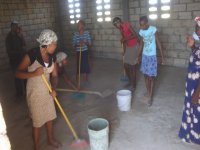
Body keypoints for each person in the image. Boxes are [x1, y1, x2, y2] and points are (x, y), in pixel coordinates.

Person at [15, 29, 61, 150]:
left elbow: (55, 76)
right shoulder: (31, 55)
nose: (55, 46)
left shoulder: (52, 56)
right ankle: (36, 147)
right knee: (37, 122)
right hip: (34, 94)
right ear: (46, 44)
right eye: (54, 44)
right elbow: (17, 73)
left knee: (50, 117)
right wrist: (34, 73)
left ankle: (50, 140)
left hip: (48, 92)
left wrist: (54, 88)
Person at [178, 17, 200, 145]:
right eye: (196, 28)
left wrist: (197, 93)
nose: (196, 31)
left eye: (199, 28)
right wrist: (192, 47)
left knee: (197, 110)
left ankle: (196, 136)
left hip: (197, 88)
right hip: (192, 85)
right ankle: (190, 133)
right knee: (191, 110)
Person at [138, 16, 164, 106]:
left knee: (151, 77)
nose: (142, 27)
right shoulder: (141, 32)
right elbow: (141, 44)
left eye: (143, 25)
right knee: (145, 76)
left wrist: (162, 56)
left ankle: (151, 97)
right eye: (140, 25)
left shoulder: (153, 29)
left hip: (152, 57)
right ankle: (149, 92)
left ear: (147, 23)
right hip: (145, 56)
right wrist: (138, 56)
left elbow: (159, 42)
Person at [112, 17, 139, 91]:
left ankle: (134, 85)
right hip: (128, 47)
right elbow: (124, 40)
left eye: (116, 24)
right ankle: (130, 81)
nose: (116, 26)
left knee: (132, 66)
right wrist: (124, 50)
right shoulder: (120, 29)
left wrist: (125, 39)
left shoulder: (126, 25)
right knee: (126, 65)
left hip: (134, 46)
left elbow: (135, 35)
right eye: (114, 25)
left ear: (119, 22)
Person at [6, 21, 26, 96]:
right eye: (15, 26)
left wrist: (21, 35)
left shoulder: (18, 35)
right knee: (17, 76)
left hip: (22, 59)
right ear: (12, 27)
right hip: (14, 60)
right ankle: (19, 93)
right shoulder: (9, 38)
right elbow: (9, 51)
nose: (17, 28)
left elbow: (24, 44)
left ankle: (26, 90)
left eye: (17, 26)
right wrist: (20, 52)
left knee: (25, 75)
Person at [72, 20, 91, 88]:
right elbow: (73, 44)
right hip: (78, 52)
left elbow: (90, 43)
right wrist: (78, 45)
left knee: (85, 65)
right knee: (78, 65)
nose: (78, 26)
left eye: (79, 25)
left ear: (83, 26)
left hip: (85, 51)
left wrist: (85, 42)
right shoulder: (75, 34)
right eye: (77, 25)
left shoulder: (86, 33)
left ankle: (86, 80)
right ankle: (78, 80)